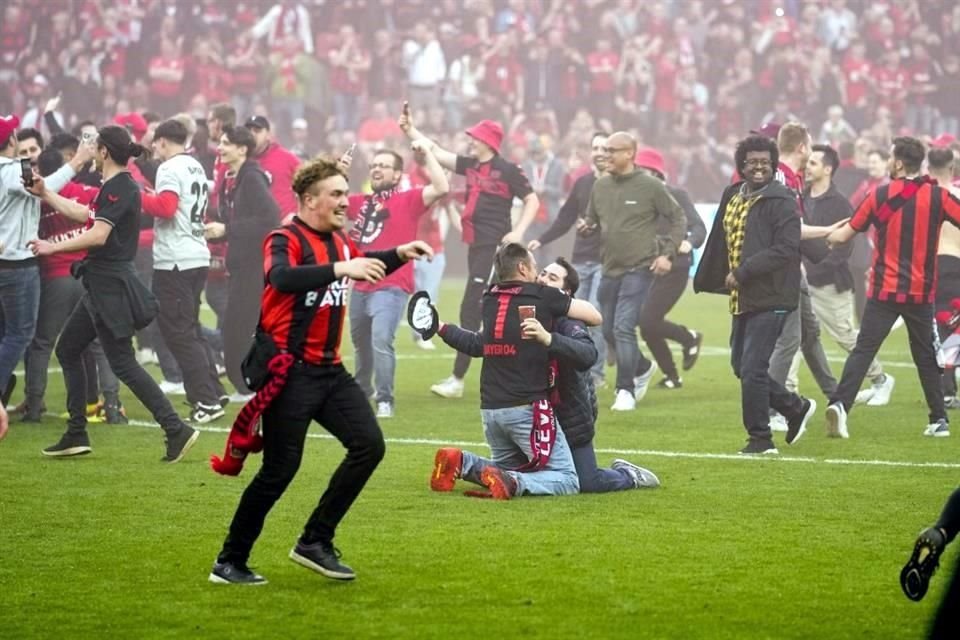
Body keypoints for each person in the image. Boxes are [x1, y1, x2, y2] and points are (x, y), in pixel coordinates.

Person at [209, 157, 433, 585]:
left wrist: (399, 253)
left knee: (369, 446)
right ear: (309, 200)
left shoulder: (341, 241)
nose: (345, 201)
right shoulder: (284, 237)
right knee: (279, 471)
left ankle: (315, 540)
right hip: (290, 373)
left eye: (345, 193)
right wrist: (340, 268)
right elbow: (281, 277)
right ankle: (229, 561)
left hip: (330, 372)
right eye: (336, 194)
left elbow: (362, 262)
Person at [27, 125, 199, 461]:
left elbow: (97, 235)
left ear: (104, 152)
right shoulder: (114, 187)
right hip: (101, 285)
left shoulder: (121, 187)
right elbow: (85, 214)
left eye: (94, 147)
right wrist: (45, 193)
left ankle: (175, 428)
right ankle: (76, 432)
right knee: (69, 349)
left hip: (110, 287)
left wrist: (52, 245)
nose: (90, 152)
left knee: (122, 362)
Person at [434, 256, 659, 493]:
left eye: (552, 278)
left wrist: (549, 339)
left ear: (566, 293)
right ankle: (462, 463)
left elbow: (588, 355)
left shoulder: (569, 322)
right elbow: (479, 343)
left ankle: (628, 474)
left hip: (568, 418)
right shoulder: (523, 310)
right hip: (531, 415)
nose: (542, 279)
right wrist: (441, 328)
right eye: (542, 273)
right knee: (514, 471)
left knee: (586, 482)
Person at [429, 243, 601, 499]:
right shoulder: (543, 296)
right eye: (536, 268)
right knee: (568, 480)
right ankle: (513, 482)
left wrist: (440, 327)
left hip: (491, 411)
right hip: (526, 408)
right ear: (522, 267)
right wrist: (548, 337)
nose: (539, 276)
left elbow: (478, 344)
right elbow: (596, 318)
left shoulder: (491, 297)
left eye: (549, 276)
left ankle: (463, 462)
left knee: (506, 467)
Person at [824, 136, 960, 439]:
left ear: (898, 162)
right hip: (921, 294)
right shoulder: (938, 196)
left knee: (863, 350)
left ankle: (840, 405)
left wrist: (828, 236)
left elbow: (845, 235)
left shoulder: (878, 194)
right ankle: (938, 420)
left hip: (884, 292)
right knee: (926, 355)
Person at [399, 110, 540, 400]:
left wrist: (519, 232)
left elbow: (532, 199)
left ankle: (458, 379)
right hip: (476, 246)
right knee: (487, 309)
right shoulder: (472, 165)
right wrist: (411, 131)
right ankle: (503, 370)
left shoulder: (509, 170)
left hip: (493, 248)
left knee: (472, 309)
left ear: (488, 141)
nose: (471, 142)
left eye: (475, 137)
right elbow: (436, 152)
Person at [694, 134, 817, 455]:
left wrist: (744, 271)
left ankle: (760, 440)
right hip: (743, 296)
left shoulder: (783, 199)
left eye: (765, 162)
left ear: (774, 165)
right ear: (741, 167)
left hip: (773, 295)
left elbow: (787, 249)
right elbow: (721, 242)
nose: (759, 167)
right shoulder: (733, 194)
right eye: (752, 162)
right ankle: (794, 408)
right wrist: (712, 276)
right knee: (741, 366)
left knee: (752, 369)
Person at [579, 131, 686, 412]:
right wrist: (587, 225)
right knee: (609, 329)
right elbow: (592, 217)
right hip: (609, 267)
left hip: (640, 268)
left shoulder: (650, 186)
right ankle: (643, 366)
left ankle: (624, 389)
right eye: (603, 151)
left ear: (629, 154)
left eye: (612, 150)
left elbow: (678, 218)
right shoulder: (600, 187)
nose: (605, 155)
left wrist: (668, 254)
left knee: (624, 327)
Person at [346, 142, 449, 418]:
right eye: (374, 165)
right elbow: (327, 201)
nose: (376, 169)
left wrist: (427, 155)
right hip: (361, 283)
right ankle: (362, 391)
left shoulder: (408, 199)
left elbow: (441, 187)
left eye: (383, 165)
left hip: (392, 285)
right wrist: (337, 173)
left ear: (397, 175)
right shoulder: (362, 203)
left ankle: (385, 399)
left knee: (380, 339)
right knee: (361, 344)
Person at [22, 148, 123, 424]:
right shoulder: (89, 192)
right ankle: (112, 405)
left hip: (56, 278)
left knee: (42, 343)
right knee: (99, 344)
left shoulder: (38, 200)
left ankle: (33, 408)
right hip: (87, 275)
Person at [0, 113, 91, 410]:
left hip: (9, 260)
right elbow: (46, 186)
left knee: (12, 332)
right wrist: (77, 162)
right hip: (17, 264)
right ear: (11, 140)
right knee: (20, 334)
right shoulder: (12, 170)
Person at [141, 119, 226, 423]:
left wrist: (138, 195)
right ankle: (213, 390)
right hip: (196, 254)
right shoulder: (194, 166)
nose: (153, 148)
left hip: (175, 259)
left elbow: (165, 207)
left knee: (177, 333)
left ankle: (206, 400)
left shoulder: (169, 168)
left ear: (163, 141)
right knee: (189, 328)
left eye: (155, 142)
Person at [803, 144, 893, 407]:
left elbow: (846, 246)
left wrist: (818, 269)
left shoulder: (840, 203)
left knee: (845, 336)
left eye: (813, 163)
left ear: (828, 169)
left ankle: (880, 379)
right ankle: (787, 400)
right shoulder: (800, 196)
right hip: (802, 282)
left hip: (830, 282)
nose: (807, 168)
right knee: (795, 338)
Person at [767, 123, 837, 430]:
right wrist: (828, 230)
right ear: (802, 148)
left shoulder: (790, 177)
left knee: (810, 334)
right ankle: (772, 409)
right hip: (781, 269)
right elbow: (788, 228)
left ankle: (837, 397)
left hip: (794, 267)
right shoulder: (781, 177)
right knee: (790, 339)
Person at [204, 126, 280, 399]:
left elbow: (270, 218)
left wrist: (226, 229)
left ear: (242, 149)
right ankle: (247, 383)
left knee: (238, 328)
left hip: (253, 266)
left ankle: (249, 385)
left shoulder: (251, 177)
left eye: (226, 143)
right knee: (236, 327)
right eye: (220, 142)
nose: (220, 148)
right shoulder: (231, 177)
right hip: (239, 265)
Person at [529, 131, 609, 388]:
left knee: (594, 312)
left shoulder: (620, 185)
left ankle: (595, 374)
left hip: (608, 260)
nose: (598, 152)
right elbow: (565, 218)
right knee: (573, 316)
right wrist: (542, 239)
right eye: (595, 147)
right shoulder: (583, 183)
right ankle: (580, 368)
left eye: (604, 148)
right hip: (582, 258)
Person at [634, 147, 706, 390]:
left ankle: (689, 338)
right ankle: (672, 376)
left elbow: (699, 227)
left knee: (647, 320)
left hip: (675, 267)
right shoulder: (637, 199)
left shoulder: (677, 195)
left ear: (655, 173)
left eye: (640, 170)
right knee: (647, 325)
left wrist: (688, 242)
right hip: (648, 268)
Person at [929, 146, 960, 409]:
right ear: (953, 169)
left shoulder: (921, 197)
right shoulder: (957, 196)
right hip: (955, 265)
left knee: (938, 328)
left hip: (927, 266)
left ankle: (942, 390)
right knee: (953, 330)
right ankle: (947, 391)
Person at [244, 116, 301, 220]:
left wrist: (297, 214)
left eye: (257, 131)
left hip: (284, 228)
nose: (252, 134)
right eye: (248, 131)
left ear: (268, 135)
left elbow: (310, 185)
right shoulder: (240, 160)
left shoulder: (286, 158)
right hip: (253, 228)